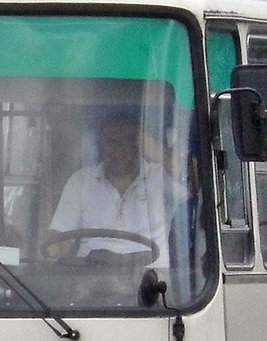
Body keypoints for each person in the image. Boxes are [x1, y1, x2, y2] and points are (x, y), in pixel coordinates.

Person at [44, 112, 186, 261]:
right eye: (111, 142)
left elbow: (190, 177)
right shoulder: (81, 181)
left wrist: (154, 147)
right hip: (90, 276)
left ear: (138, 145)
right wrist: (51, 249)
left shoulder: (160, 177)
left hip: (150, 278)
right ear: (100, 146)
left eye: (125, 142)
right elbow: (61, 234)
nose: (117, 150)